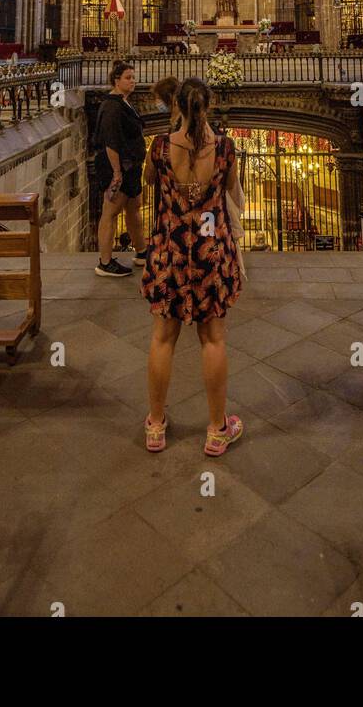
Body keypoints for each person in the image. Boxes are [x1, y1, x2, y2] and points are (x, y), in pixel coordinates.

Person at [141, 77, 243, 458]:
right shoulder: (226, 149)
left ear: (179, 107)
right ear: (208, 106)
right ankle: (217, 430)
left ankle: (155, 426)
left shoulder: (162, 147)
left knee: (162, 338)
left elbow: (150, 179)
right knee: (213, 339)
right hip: (210, 248)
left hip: (170, 247)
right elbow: (231, 190)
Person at [93, 61, 146, 278]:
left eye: (133, 77)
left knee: (134, 207)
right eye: (128, 77)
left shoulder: (123, 102)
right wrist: (116, 173)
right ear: (116, 79)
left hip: (130, 167)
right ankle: (105, 263)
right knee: (111, 212)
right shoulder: (112, 106)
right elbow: (111, 142)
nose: (132, 81)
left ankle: (142, 251)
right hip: (118, 168)